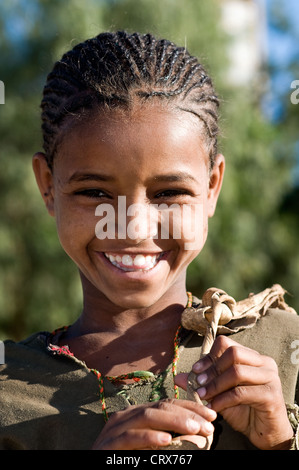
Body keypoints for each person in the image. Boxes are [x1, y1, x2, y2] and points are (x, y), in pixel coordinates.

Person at [0, 31, 298, 451]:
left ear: (211, 188)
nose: (134, 228)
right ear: (48, 186)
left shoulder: (282, 348)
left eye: (168, 193)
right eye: (95, 192)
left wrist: (279, 441)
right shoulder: (9, 391)